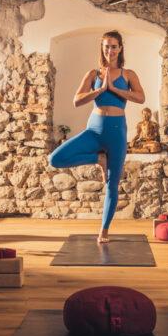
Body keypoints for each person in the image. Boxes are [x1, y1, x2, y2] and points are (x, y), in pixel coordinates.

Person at [48, 30, 145, 243]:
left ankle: (104, 231)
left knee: (112, 183)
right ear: (102, 49)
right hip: (94, 129)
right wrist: (99, 91)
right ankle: (98, 158)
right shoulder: (93, 74)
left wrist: (114, 89)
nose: (109, 50)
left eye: (113, 46)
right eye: (106, 46)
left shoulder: (128, 74)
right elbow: (77, 100)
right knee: (55, 159)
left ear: (120, 48)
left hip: (117, 132)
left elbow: (140, 97)